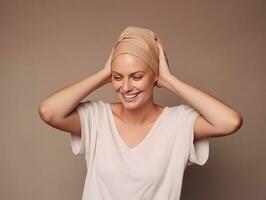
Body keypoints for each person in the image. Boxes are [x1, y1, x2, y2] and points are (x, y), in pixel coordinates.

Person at [38, 26, 243, 200]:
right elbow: (49, 111)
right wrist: (103, 74)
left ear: (155, 76)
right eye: (118, 77)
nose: (126, 87)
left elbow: (230, 122)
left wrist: (170, 80)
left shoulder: (178, 123)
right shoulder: (97, 118)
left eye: (136, 76)